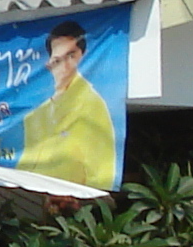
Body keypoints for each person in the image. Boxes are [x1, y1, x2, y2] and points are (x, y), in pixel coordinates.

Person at [16, 18, 117, 189]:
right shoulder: (35, 116)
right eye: (57, 59)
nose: (65, 66)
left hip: (76, 206)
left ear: (83, 57)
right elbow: (24, 168)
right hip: (39, 200)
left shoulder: (92, 105)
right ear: (49, 63)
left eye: (71, 56)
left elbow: (102, 172)